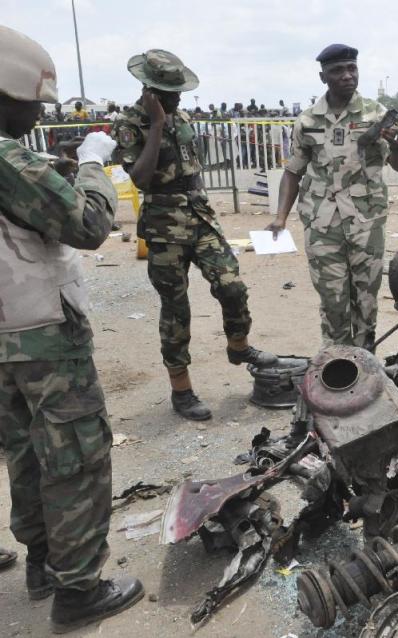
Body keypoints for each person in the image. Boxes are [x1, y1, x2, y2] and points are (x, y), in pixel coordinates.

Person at [0, 26, 144, 632]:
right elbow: (87, 222)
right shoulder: (9, 158)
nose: (39, 114)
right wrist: (90, 163)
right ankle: (79, 588)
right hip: (42, 332)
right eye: (35, 102)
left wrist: (54, 172)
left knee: (26, 452)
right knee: (76, 455)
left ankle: (42, 565)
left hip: (6, 337)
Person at [112, 49, 276, 421]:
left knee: (231, 285)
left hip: (198, 215)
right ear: (150, 90)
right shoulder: (130, 123)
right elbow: (138, 178)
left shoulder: (183, 116)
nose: (178, 98)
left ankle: (238, 346)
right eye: (170, 93)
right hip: (163, 224)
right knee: (176, 308)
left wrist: (199, 195)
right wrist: (155, 125)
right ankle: (181, 390)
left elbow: (192, 165)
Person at [266, 44, 398, 350]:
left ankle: (364, 364)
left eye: (352, 68)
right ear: (323, 77)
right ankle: (336, 366)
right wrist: (280, 217)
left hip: (365, 221)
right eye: (337, 71)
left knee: (366, 300)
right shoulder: (307, 121)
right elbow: (294, 171)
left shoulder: (376, 114)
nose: (347, 76)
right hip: (323, 223)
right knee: (333, 300)